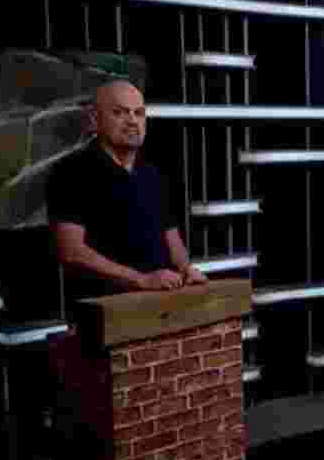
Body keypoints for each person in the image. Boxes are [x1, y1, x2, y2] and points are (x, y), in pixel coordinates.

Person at [47, 79, 206, 310]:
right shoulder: (70, 172)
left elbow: (170, 235)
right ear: (95, 119)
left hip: (163, 305)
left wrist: (186, 268)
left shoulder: (153, 174)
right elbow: (71, 251)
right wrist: (141, 280)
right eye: (119, 112)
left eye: (138, 113)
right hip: (105, 311)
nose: (132, 120)